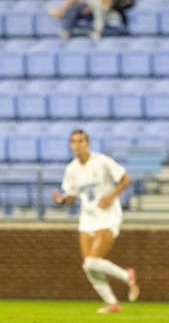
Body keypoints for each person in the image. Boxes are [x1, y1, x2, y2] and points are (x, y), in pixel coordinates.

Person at [52, 129, 139, 311]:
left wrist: (111, 196)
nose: (78, 145)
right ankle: (112, 303)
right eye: (74, 141)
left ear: (88, 143)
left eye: (81, 141)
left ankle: (127, 275)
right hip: (87, 217)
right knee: (88, 265)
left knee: (92, 261)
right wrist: (61, 200)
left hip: (107, 215)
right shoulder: (72, 169)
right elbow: (72, 197)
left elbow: (125, 179)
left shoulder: (102, 161)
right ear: (71, 145)